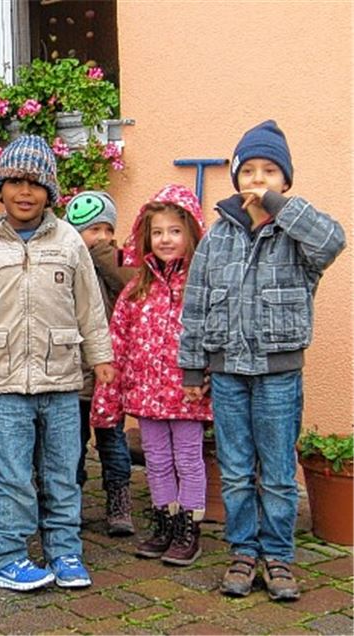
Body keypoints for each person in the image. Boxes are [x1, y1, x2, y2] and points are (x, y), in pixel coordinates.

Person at [179, 120, 346, 601]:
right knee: (234, 469)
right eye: (248, 170)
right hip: (228, 372)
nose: (257, 180)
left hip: (278, 373)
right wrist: (194, 367)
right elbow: (195, 303)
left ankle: (278, 556)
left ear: (286, 180)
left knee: (275, 471)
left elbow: (332, 241)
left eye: (269, 171)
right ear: (234, 178)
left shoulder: (297, 232)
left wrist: (279, 208)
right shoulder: (217, 236)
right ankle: (242, 552)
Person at [0, 136, 114, 591]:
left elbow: (89, 308)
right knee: (13, 477)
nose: (25, 191)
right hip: (3, 385)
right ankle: (6, 557)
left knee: (64, 473)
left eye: (36, 183)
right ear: (0, 188)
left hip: (61, 379)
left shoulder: (69, 244)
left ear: (50, 191)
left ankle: (65, 552)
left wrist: (101, 357)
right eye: (16, 181)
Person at [92, 184, 212, 567]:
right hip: (146, 393)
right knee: (157, 460)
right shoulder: (136, 288)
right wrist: (112, 383)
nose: (165, 239)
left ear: (191, 234)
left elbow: (215, 334)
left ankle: (188, 528)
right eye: (157, 232)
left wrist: (205, 374)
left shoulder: (201, 286)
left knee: (188, 460)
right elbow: (119, 338)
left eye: (175, 231)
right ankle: (164, 522)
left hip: (187, 393)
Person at [64, 191, 137, 536]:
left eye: (109, 230)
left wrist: (106, 255)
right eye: (93, 231)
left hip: (108, 376)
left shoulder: (115, 263)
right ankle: (71, 501)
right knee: (70, 445)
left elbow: (132, 285)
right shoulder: (66, 264)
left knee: (112, 440)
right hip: (74, 375)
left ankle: (118, 501)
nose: (103, 238)